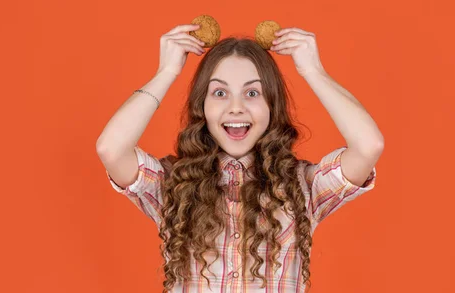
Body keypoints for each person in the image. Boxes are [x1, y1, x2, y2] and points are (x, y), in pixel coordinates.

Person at [96, 23, 384, 293]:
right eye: (220, 92)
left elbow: (368, 146)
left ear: (272, 105)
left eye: (252, 93)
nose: (236, 108)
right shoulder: (175, 184)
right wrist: (167, 72)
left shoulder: (301, 186)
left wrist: (313, 71)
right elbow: (112, 149)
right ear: (203, 107)